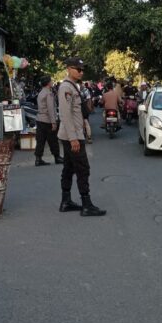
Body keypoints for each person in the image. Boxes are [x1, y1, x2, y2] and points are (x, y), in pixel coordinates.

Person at [57, 57, 105, 216]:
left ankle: (66, 201)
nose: (81, 71)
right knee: (83, 169)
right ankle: (86, 205)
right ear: (69, 69)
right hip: (73, 135)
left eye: (82, 69)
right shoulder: (66, 88)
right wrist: (73, 138)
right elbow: (65, 114)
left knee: (69, 167)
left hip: (73, 133)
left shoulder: (73, 86)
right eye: (78, 69)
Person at [34, 76, 63, 166]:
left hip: (40, 119)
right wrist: (53, 122)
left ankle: (38, 159)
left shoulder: (41, 92)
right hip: (47, 120)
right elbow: (51, 109)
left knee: (40, 140)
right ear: (48, 83)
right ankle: (57, 157)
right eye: (51, 81)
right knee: (53, 140)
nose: (52, 82)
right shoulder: (49, 93)